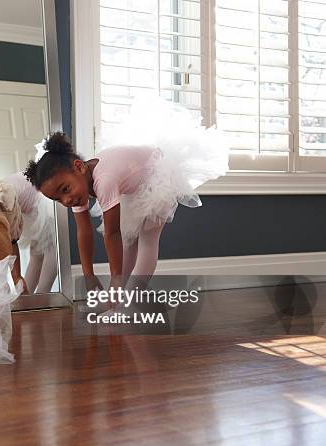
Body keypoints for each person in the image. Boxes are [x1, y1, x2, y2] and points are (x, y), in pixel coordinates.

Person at [24, 96, 229, 304]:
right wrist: (89, 275)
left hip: (157, 173)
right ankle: (118, 299)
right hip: (133, 184)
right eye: (58, 199)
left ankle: (130, 300)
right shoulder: (78, 188)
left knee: (147, 239)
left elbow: (112, 233)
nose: (66, 200)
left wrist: (115, 278)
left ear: (79, 167)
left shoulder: (104, 181)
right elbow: (83, 231)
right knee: (129, 241)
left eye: (65, 190)